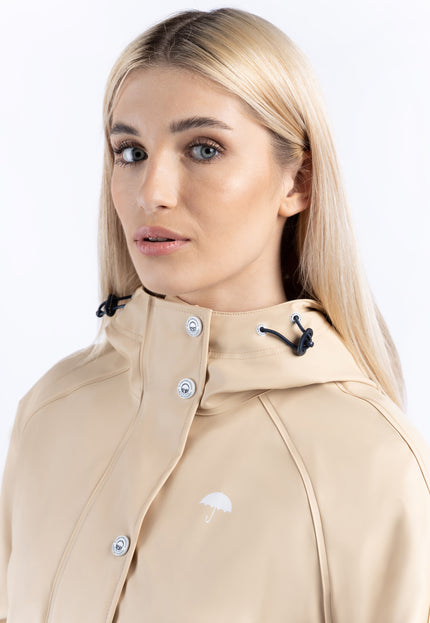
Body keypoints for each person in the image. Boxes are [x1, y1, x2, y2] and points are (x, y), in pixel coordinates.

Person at [1, 7, 430, 622]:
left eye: (203, 149)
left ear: (298, 182)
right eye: (130, 151)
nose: (152, 192)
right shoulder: (51, 413)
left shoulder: (370, 464)